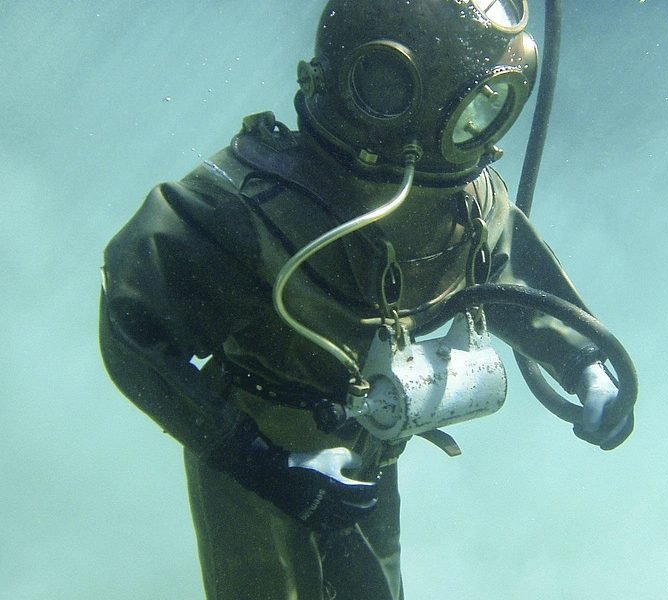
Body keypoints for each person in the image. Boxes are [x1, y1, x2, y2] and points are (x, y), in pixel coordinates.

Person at [99, 1, 634, 598]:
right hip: (261, 433)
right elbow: (132, 329)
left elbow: (506, 278)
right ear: (381, 85)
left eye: (488, 108)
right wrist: (259, 461)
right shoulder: (243, 208)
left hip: (369, 442)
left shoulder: (466, 199)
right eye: (474, 108)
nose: (477, 126)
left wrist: (585, 365)